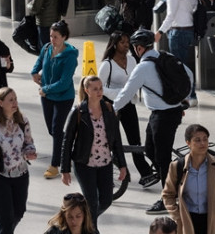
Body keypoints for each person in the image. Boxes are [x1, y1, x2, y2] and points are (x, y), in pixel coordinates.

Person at [112, 28, 194, 214]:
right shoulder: (165, 56)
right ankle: (173, 180)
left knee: (162, 157)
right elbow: (188, 74)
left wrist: (114, 109)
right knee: (150, 149)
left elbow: (127, 91)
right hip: (164, 113)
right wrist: (183, 98)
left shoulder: (143, 67)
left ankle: (168, 200)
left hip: (163, 116)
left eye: (134, 47)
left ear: (139, 48)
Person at [61, 76, 128, 232]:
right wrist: (64, 169)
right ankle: (92, 230)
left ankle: (85, 224)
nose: (99, 92)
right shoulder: (79, 112)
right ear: (87, 90)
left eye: (100, 88)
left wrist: (123, 165)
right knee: (91, 202)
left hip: (105, 163)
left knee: (106, 200)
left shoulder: (109, 109)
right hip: (84, 164)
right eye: (95, 89)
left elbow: (116, 139)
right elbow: (67, 140)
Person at [98, 31, 157, 187]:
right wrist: (118, 94)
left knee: (135, 140)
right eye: (122, 42)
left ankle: (146, 173)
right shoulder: (107, 64)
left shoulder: (132, 61)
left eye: (127, 42)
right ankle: (113, 172)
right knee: (112, 141)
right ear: (115, 44)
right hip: (112, 107)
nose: (126, 45)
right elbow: (99, 87)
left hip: (129, 105)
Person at [162, 124, 215, 234]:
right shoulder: (177, 166)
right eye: (197, 140)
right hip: (187, 219)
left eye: (205, 139)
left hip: (210, 220)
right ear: (188, 143)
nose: (203, 143)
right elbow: (167, 194)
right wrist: (178, 216)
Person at [31, 20, 78, 179]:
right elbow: (38, 64)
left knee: (57, 129)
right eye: (51, 36)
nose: (52, 40)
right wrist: (34, 73)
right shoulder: (46, 48)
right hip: (47, 96)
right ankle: (69, 151)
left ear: (64, 37)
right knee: (53, 130)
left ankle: (55, 164)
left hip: (63, 97)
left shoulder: (70, 56)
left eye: (56, 37)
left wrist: (45, 89)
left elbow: (65, 82)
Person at [0, 87, 36, 234]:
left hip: (20, 174)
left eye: (15, 99)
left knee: (19, 212)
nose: (15, 103)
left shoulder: (22, 120)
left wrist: (30, 151)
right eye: (11, 100)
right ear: (0, 103)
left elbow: (29, 142)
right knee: (6, 220)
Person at [156, 0, 198, 105]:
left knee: (179, 66)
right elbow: (194, 8)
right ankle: (191, 94)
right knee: (187, 64)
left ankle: (186, 95)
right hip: (189, 30)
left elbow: (170, 15)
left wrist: (160, 31)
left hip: (177, 32)